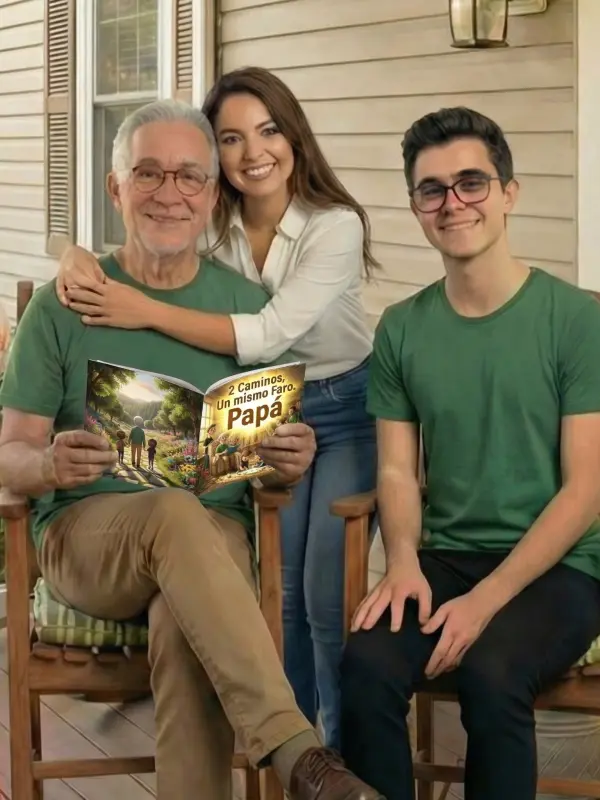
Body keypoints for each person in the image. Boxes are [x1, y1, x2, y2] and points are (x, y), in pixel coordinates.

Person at [0, 99, 383, 800]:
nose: (168, 194)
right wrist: (50, 462)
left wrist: (288, 456)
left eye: (188, 177)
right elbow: (9, 455)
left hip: (212, 543)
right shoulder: (64, 305)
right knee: (175, 514)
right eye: (147, 174)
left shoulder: (242, 307)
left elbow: (274, 460)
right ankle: (300, 753)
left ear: (212, 193)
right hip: (90, 542)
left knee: (186, 614)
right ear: (116, 189)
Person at [339, 107, 600, 800]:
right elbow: (397, 468)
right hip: (446, 556)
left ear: (508, 193)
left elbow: (585, 490)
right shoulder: (402, 329)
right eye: (432, 189)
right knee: (365, 664)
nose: (452, 202)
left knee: (492, 672)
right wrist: (399, 563)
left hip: (561, 567)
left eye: (471, 182)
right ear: (417, 208)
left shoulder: (577, 321)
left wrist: (486, 600)